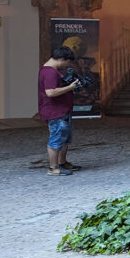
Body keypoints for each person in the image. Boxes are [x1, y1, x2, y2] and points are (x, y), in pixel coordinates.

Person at [38, 46, 82, 176]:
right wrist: (70, 87)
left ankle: (62, 163)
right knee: (56, 138)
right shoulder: (50, 72)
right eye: (67, 62)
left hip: (62, 111)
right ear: (62, 59)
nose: (67, 65)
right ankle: (53, 168)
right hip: (55, 112)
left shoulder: (50, 71)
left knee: (64, 139)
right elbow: (51, 92)